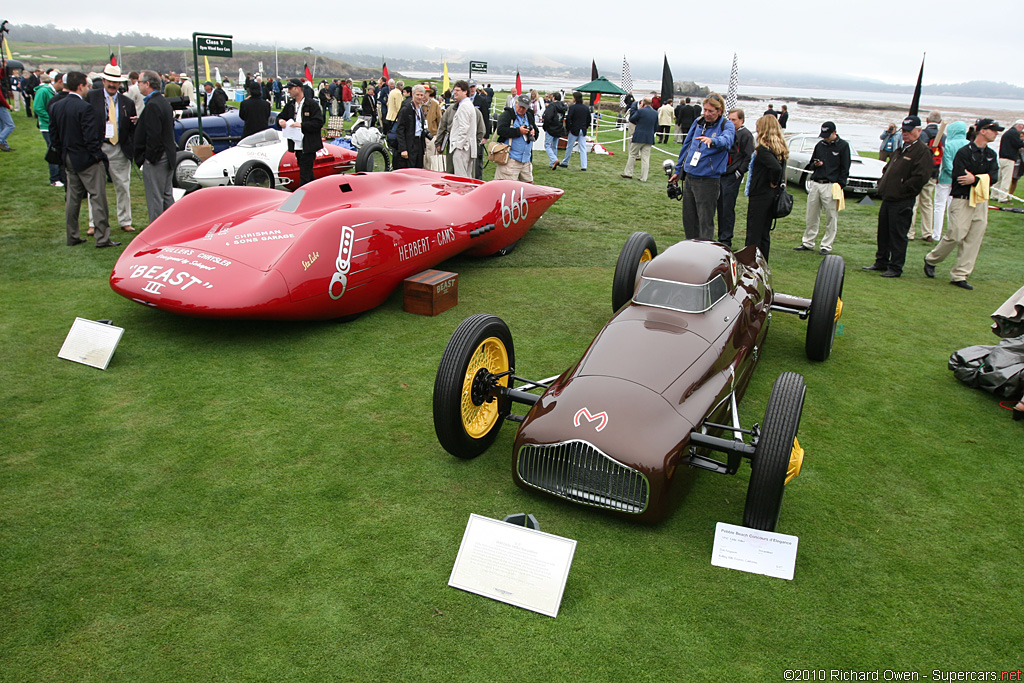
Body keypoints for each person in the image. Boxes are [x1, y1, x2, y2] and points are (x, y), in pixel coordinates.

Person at [924, 119, 1002, 290]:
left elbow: (993, 177)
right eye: (993, 130)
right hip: (962, 198)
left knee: (974, 237)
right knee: (956, 233)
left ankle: (960, 275)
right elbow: (960, 176)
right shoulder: (964, 152)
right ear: (982, 131)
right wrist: (980, 178)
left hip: (980, 199)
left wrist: (975, 179)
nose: (996, 133)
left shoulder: (991, 154)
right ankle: (931, 259)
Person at [49, 71, 118, 247]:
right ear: (80, 86)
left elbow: (54, 135)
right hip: (87, 158)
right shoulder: (84, 107)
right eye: (87, 85)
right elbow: (90, 137)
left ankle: (72, 235)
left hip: (68, 157)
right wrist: (96, 156)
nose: (88, 88)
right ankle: (102, 237)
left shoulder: (57, 106)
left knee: (72, 199)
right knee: (98, 197)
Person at [863, 115, 934, 278]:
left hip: (902, 200)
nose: (905, 134)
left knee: (898, 234)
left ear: (918, 131)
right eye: (904, 131)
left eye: (909, 131)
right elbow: (889, 167)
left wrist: (902, 189)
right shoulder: (902, 148)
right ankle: (881, 261)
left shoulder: (922, 151)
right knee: (884, 232)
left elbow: (920, 177)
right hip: (888, 197)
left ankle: (895, 266)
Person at [670, 93, 735, 240]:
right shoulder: (698, 121)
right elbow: (686, 145)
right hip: (690, 177)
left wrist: (713, 140)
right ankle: (690, 249)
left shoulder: (727, 125)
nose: (706, 114)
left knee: (705, 220)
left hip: (708, 180)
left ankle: (705, 253)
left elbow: (727, 141)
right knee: (689, 219)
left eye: (711, 111)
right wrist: (678, 170)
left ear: (720, 111)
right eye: (705, 110)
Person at [85, 64, 137, 234]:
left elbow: (131, 127)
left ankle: (125, 220)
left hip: (119, 149)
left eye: (116, 82)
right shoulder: (91, 98)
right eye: (110, 81)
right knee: (95, 188)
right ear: (103, 80)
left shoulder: (127, 103)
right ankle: (94, 223)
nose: (113, 85)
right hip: (99, 147)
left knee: (123, 186)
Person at [794, 121, 851, 255]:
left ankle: (826, 245)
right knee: (812, 215)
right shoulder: (820, 145)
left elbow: (845, 168)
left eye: (827, 135)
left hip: (831, 185)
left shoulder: (843, 146)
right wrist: (816, 164)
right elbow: (811, 164)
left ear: (834, 133)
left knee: (831, 216)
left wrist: (840, 185)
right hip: (816, 182)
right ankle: (808, 242)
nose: (825, 138)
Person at [133, 70, 176, 223]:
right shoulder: (163, 102)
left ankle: (157, 232)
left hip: (158, 157)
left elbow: (154, 135)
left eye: (139, 82)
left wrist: (150, 158)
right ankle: (172, 227)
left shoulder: (153, 105)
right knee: (166, 195)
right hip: (168, 154)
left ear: (147, 84)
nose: (138, 85)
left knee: (155, 197)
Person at [745, 115, 788, 260]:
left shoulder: (763, 150)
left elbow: (775, 168)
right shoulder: (779, 149)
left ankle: (750, 262)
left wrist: (773, 181)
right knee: (764, 233)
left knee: (754, 232)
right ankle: (763, 262)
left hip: (760, 195)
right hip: (771, 195)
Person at [716, 108, 754, 248]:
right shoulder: (727, 132)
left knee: (727, 206)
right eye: (730, 119)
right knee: (720, 206)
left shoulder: (746, 135)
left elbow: (748, 156)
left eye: (734, 120)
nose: (731, 122)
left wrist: (740, 171)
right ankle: (721, 235)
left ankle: (726, 238)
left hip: (733, 175)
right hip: (722, 173)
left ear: (741, 120)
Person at [277, 78, 324, 188]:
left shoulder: (311, 104)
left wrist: (302, 125)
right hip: (296, 143)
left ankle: (303, 194)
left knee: (305, 172)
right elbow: (280, 116)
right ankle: (314, 190)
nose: (288, 91)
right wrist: (280, 121)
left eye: (290, 89)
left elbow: (318, 122)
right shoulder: (290, 105)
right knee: (306, 171)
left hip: (308, 144)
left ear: (298, 88)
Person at [909, 111, 944, 241]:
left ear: (927, 120)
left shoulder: (922, 134)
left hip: (919, 173)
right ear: (939, 122)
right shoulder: (943, 137)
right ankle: (927, 232)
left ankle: (910, 232)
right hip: (933, 173)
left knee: (914, 203)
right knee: (927, 203)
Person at [932, 120, 969, 242]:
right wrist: (962, 176)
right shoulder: (969, 145)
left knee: (939, 206)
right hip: (962, 180)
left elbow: (947, 164)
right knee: (953, 207)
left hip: (945, 179)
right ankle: (952, 233)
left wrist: (953, 174)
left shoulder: (948, 145)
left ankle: (936, 234)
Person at [494, 93, 539, 183]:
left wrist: (533, 132)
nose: (521, 109)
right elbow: (501, 130)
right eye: (520, 106)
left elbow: (536, 133)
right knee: (505, 188)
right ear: (516, 103)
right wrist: (518, 131)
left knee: (528, 189)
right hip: (510, 159)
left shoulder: (529, 116)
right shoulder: (507, 115)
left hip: (526, 160)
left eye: (524, 108)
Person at [33, 72, 63, 186]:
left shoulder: (54, 92)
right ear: (59, 81)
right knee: (53, 150)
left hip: (53, 126)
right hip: (47, 126)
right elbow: (38, 108)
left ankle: (59, 176)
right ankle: (54, 179)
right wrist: (51, 118)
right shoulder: (43, 91)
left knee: (57, 149)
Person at [622, 97, 658, 182]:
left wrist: (640, 109)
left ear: (643, 103)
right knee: (645, 158)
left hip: (639, 136)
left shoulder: (641, 111)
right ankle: (644, 177)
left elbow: (631, 119)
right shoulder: (655, 113)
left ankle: (628, 173)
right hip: (649, 137)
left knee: (632, 154)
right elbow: (656, 126)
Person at [394, 84, 428, 170]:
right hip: (409, 142)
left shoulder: (420, 109)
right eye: (417, 95)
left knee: (419, 166)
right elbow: (400, 129)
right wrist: (403, 149)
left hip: (419, 142)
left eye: (421, 95)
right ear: (413, 95)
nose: (419, 97)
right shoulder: (406, 109)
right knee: (410, 167)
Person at [449, 80, 477, 178]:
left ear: (465, 91)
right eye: (454, 90)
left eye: (458, 90)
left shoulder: (464, 106)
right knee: (466, 177)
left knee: (461, 178)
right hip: (467, 146)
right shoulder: (467, 104)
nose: (455, 92)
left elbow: (463, 128)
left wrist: (458, 146)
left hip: (463, 148)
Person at [560, 91, 590, 171]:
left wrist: (569, 129)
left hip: (574, 129)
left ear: (575, 98)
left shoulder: (572, 108)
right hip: (582, 130)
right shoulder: (586, 108)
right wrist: (585, 127)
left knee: (569, 146)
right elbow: (588, 119)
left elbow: (569, 118)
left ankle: (565, 162)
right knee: (583, 148)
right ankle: (584, 165)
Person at [995, 120, 1023, 201]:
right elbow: (1018, 144)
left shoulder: (1008, 132)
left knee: (999, 178)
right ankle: (1003, 197)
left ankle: (995, 195)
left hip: (1002, 157)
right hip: (1009, 159)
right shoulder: (1014, 133)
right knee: (1006, 179)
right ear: (1019, 126)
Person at [541, 92, 566, 170]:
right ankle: (552, 163)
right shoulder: (563, 106)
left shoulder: (552, 106)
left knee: (547, 145)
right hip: (559, 127)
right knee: (554, 146)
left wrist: (545, 126)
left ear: (554, 98)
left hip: (551, 127)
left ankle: (554, 160)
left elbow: (548, 117)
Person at [0, 84, 15, 152]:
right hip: (1, 107)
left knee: (2, 126)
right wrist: (8, 106)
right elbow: (1, 98)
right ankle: (0, 140)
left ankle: (4, 145)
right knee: (10, 125)